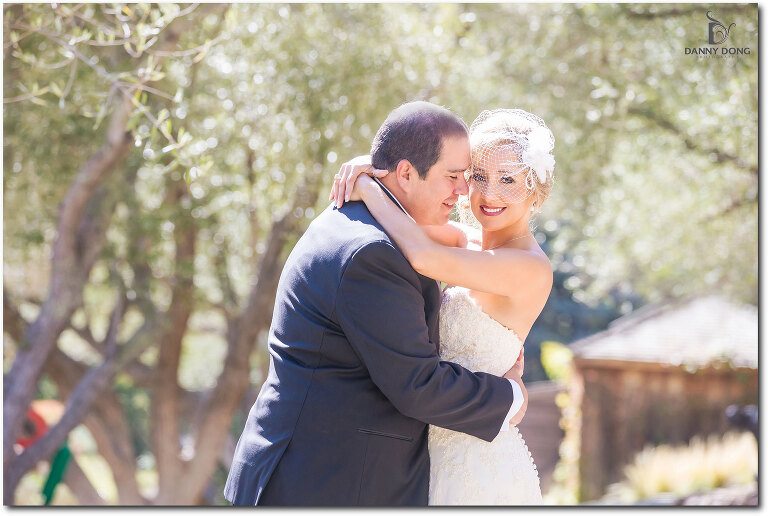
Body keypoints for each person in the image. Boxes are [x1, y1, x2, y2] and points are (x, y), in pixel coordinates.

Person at [224, 101, 528, 506]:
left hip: (322, 475)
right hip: (326, 483)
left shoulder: (361, 220)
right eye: (454, 176)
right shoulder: (372, 253)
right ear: (405, 172)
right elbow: (417, 385)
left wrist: (368, 177)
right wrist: (511, 397)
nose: (463, 190)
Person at [330, 108, 555, 504]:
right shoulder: (468, 243)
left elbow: (418, 253)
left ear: (535, 192)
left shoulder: (530, 268)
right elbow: (403, 218)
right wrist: (381, 171)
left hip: (479, 465)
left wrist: (367, 186)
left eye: (509, 180)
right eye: (479, 177)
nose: (489, 194)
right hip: (425, 453)